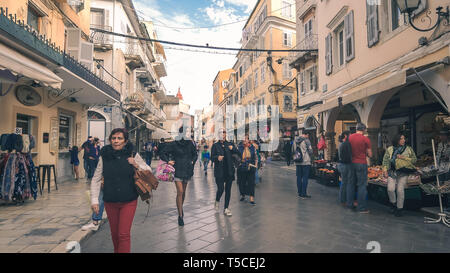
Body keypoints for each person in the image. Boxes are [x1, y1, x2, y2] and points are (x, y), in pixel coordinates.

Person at [90, 128, 140, 253]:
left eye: (119, 138)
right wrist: (94, 200)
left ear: (125, 141)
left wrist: (136, 164)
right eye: (114, 138)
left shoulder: (132, 154)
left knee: (123, 234)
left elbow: (148, 171)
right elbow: (96, 178)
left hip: (129, 200)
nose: (116, 141)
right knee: (115, 234)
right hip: (110, 200)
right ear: (110, 140)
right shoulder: (104, 155)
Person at [160, 126, 198, 226]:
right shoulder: (174, 143)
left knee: (183, 192)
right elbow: (162, 153)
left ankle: (180, 207)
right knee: (180, 192)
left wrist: (192, 161)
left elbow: (195, 154)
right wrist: (168, 161)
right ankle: (180, 215)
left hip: (187, 170)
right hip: (177, 170)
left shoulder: (190, 143)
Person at [382, 134, 417, 217]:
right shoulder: (390, 149)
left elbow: (414, 160)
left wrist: (403, 158)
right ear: (397, 140)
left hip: (403, 172)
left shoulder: (408, 149)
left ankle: (399, 209)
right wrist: (385, 170)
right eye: (401, 139)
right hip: (392, 172)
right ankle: (393, 204)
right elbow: (385, 160)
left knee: (400, 190)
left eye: (404, 139)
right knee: (390, 189)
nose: (403, 140)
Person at [211, 130, 240, 216]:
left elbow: (238, 153)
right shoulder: (215, 146)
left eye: (223, 133)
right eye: (220, 133)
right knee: (220, 189)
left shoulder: (230, 144)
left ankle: (226, 208)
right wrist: (217, 157)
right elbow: (212, 158)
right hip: (219, 171)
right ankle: (217, 200)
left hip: (229, 171)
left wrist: (233, 148)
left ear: (225, 135)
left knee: (228, 190)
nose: (222, 135)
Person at [348, 123, 372, 213]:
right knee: (362, 185)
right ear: (364, 129)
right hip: (361, 163)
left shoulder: (350, 137)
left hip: (351, 163)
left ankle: (350, 204)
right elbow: (370, 154)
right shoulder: (366, 139)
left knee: (351, 184)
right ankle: (361, 207)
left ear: (356, 129)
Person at [238, 135, 257, 205]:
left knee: (251, 183)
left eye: (246, 139)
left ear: (248, 140)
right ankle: (243, 195)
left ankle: (252, 198)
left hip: (251, 168)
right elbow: (236, 156)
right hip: (242, 168)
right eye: (243, 139)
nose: (244, 140)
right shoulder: (240, 147)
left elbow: (255, 157)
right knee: (242, 183)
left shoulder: (252, 148)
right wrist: (239, 164)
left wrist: (256, 166)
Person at [294, 130, 314, 199]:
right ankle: (303, 193)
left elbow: (293, 150)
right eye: (308, 135)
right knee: (305, 177)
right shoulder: (306, 141)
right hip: (305, 161)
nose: (308, 136)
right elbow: (311, 151)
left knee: (299, 177)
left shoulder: (296, 140)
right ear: (306, 134)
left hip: (297, 161)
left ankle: (299, 193)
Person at [337, 131, 352, 206]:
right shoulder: (346, 144)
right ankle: (345, 200)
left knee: (344, 183)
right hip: (345, 165)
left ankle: (342, 200)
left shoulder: (341, 144)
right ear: (346, 136)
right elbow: (348, 156)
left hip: (341, 165)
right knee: (347, 183)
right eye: (350, 135)